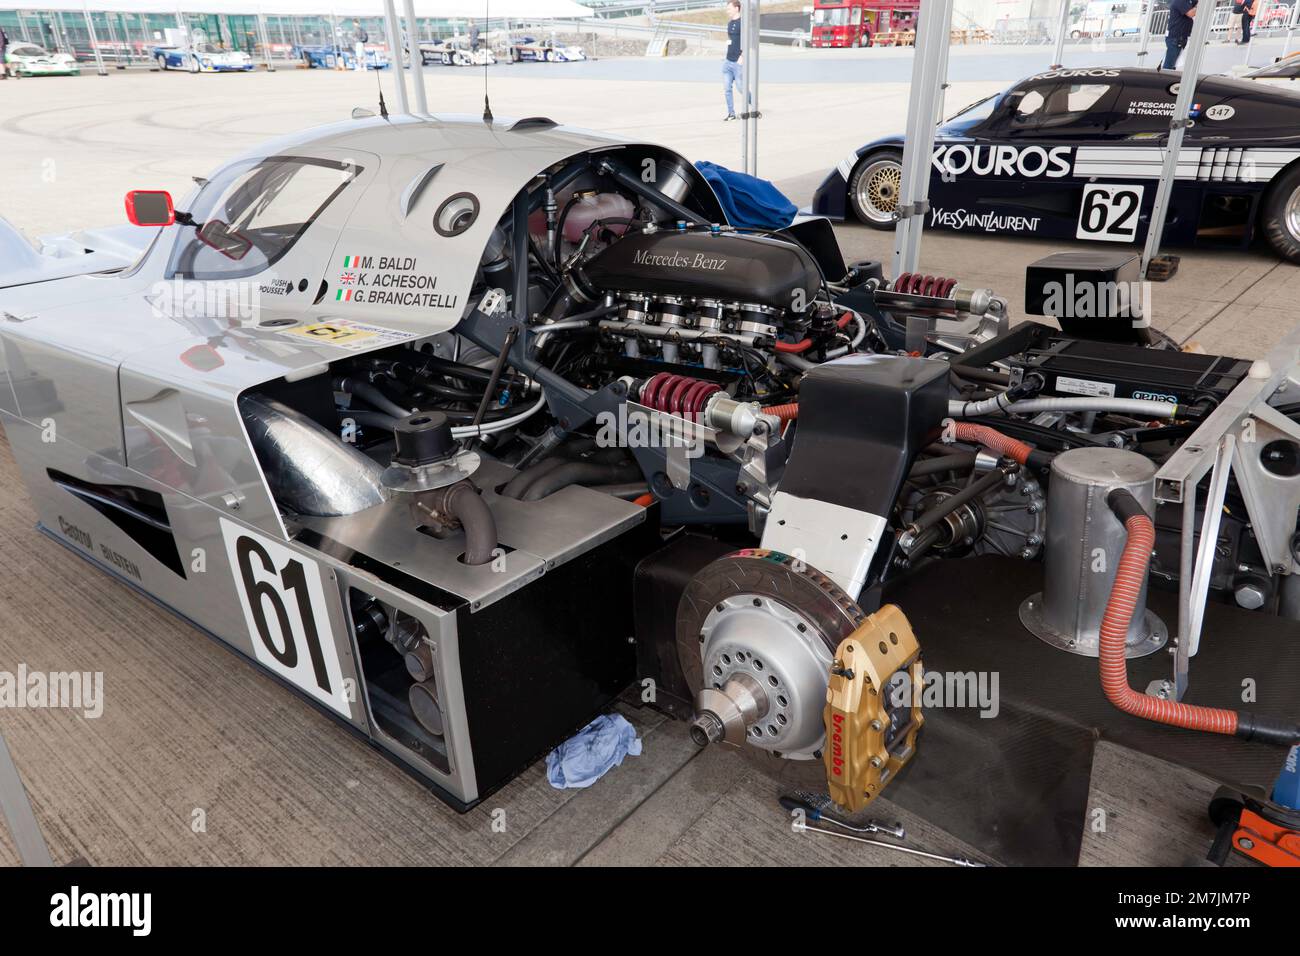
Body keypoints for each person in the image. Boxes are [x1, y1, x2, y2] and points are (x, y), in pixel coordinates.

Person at [723, 0, 743, 121]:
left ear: (737, 8)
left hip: (738, 62)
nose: (727, 11)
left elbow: (747, 41)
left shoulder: (742, 23)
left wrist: (743, 56)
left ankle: (754, 105)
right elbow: (730, 40)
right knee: (727, 89)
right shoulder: (730, 23)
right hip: (727, 62)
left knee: (741, 88)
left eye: (729, 8)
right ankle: (731, 113)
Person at [1163, 0, 1197, 70]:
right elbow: (1191, 13)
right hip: (1176, 37)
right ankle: (1164, 79)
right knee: (1168, 67)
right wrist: (1201, 6)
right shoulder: (1181, 1)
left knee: (1172, 64)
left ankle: (1168, 77)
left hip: (1179, 37)